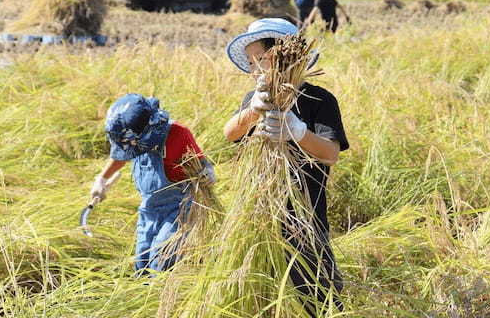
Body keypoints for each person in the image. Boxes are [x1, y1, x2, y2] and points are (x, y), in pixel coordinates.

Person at [223, 18, 349, 315]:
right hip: (258, 218)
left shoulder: (319, 100)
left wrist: (298, 131)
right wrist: (253, 110)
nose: (253, 69)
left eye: (259, 60)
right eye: (251, 62)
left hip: (305, 218)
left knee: (316, 295)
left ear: (285, 55)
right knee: (262, 293)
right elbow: (230, 133)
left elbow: (331, 153)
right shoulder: (255, 98)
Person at [90, 93, 216, 273]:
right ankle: (142, 297)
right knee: (141, 263)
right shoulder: (133, 141)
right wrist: (101, 179)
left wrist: (208, 173)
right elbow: (120, 156)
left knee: (162, 257)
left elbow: (202, 164)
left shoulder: (178, 135)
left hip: (179, 208)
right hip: (148, 209)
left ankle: (165, 297)